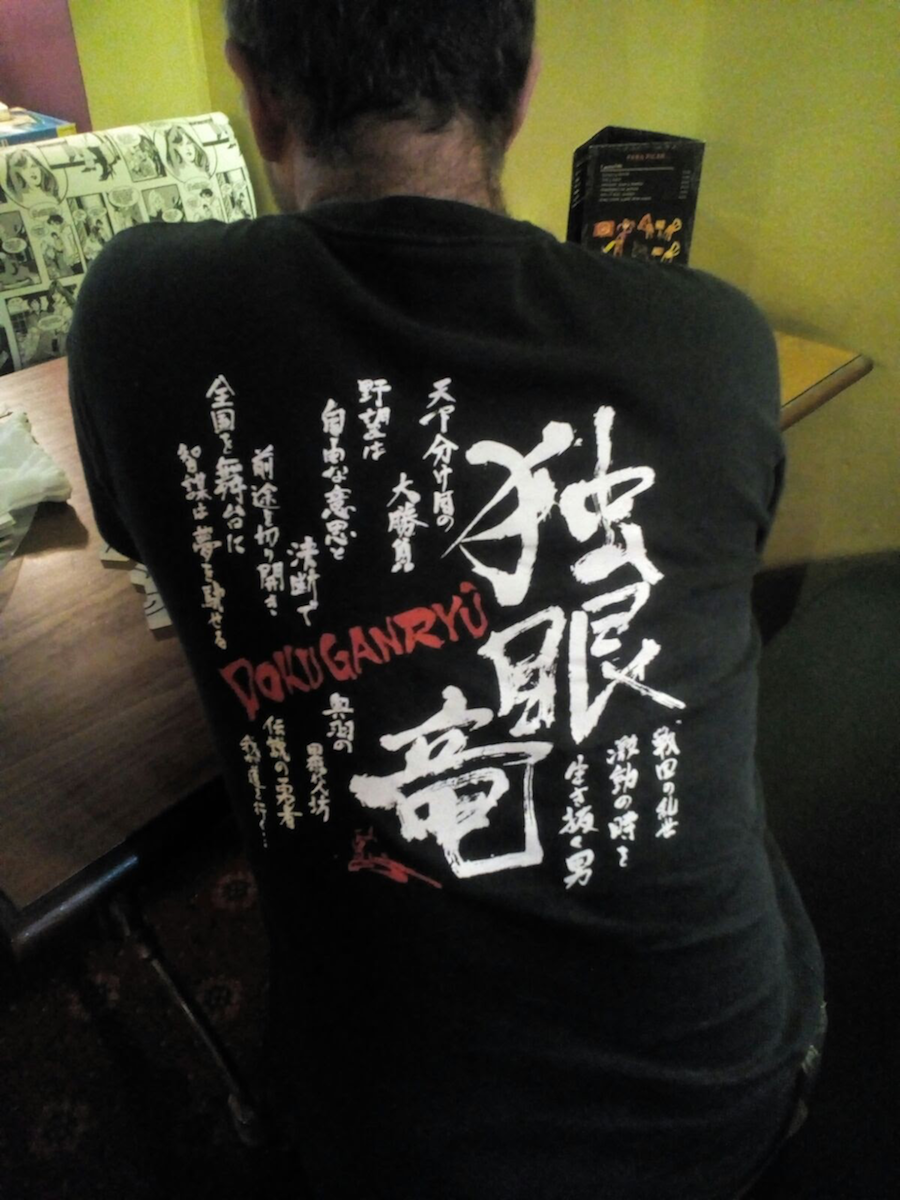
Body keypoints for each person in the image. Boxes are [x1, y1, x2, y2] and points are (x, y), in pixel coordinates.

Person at [68, 3, 824, 1197]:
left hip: (397, 1153)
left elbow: (134, 532)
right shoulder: (716, 340)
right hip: (725, 1099)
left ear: (255, 96)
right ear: (521, 90)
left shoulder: (138, 315)